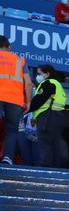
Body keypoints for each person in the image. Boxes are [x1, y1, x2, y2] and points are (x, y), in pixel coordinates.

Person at [0, 36, 33, 166]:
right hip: (15, 100)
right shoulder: (20, 60)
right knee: (12, 130)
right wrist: (28, 101)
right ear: (9, 47)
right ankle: (8, 157)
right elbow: (29, 83)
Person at [28, 65, 67, 169]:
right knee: (54, 142)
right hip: (56, 116)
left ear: (47, 74)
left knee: (44, 141)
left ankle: (45, 165)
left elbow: (39, 100)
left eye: (39, 73)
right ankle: (55, 167)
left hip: (48, 116)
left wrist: (27, 109)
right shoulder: (57, 84)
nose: (37, 76)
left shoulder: (48, 83)